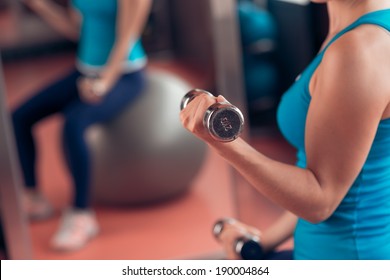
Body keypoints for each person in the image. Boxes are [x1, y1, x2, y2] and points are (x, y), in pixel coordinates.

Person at [181, 0, 390, 260]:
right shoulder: (349, 32)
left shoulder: (360, 48)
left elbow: (321, 199)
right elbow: (337, 174)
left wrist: (223, 141)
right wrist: (261, 242)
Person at [12, 0, 152, 251]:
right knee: (18, 117)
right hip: (84, 72)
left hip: (125, 74)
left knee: (74, 123)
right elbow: (77, 29)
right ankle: (34, 197)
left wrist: (104, 83)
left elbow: (126, 37)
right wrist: (41, 7)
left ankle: (81, 215)